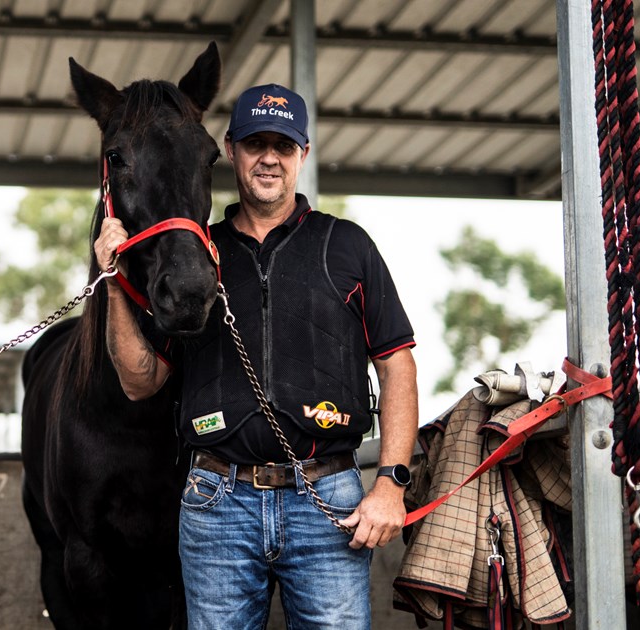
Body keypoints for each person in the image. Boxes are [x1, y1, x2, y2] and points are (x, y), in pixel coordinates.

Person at [94, 83, 419, 629]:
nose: (269, 157)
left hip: (329, 501)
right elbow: (138, 380)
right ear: (230, 150)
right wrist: (111, 281)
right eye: (255, 143)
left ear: (303, 155)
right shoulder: (197, 259)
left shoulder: (348, 246)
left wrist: (391, 482)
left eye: (283, 145)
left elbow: (397, 367)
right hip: (218, 503)